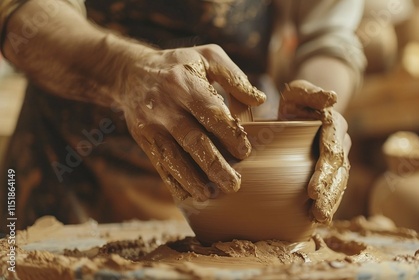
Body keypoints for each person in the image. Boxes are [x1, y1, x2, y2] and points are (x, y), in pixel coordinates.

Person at [0, 0, 366, 231]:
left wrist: (316, 114)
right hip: (68, 167)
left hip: (224, 175)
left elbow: (330, 38)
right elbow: (19, 13)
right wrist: (124, 70)